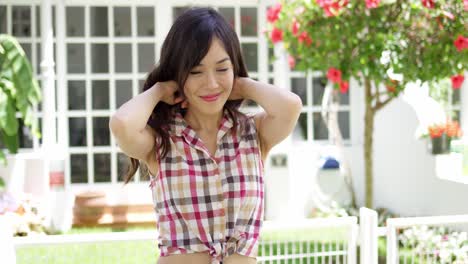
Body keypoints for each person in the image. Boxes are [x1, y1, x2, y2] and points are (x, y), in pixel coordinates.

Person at [109, 7, 302, 264]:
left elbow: (291, 106)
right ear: (178, 75)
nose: (211, 83)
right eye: (195, 71)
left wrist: (242, 85)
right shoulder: (162, 141)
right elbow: (122, 123)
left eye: (222, 69)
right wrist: (159, 90)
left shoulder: (253, 133)